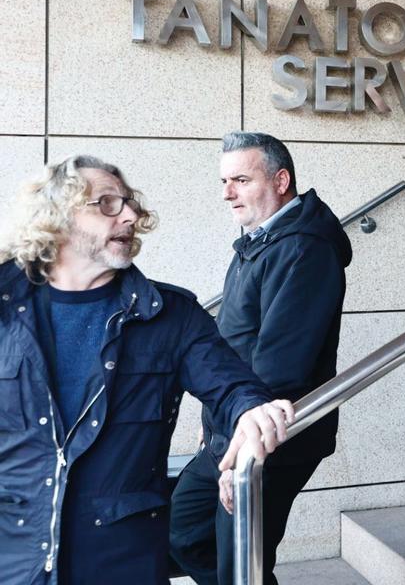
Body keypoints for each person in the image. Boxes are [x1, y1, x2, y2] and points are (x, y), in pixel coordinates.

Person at [0, 156, 292, 585]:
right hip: (13, 558)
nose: (131, 215)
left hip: (121, 562)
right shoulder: (5, 308)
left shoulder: (171, 316)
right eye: (107, 204)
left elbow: (232, 387)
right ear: (56, 217)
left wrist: (252, 411)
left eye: (130, 203)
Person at [170, 132, 352, 585]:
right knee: (183, 532)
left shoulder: (304, 248)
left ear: (281, 179)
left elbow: (281, 362)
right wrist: (217, 413)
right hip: (233, 424)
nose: (227, 193)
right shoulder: (258, 241)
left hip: (269, 434)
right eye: (224, 181)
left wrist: (247, 451)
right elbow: (235, 341)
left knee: (241, 566)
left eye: (241, 180)